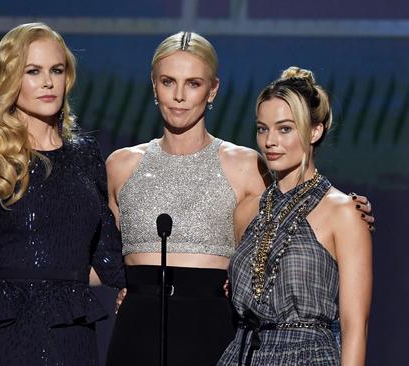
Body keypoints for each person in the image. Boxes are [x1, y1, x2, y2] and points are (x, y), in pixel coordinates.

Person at [105, 32, 373, 366]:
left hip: (220, 334)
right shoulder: (120, 166)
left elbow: (302, 204)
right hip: (149, 330)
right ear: (153, 84)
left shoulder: (249, 168)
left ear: (212, 89)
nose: (178, 96)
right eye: (168, 81)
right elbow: (99, 253)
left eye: (192, 83)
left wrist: (350, 210)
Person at [0, 23, 124, 366]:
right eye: (33, 71)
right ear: (10, 80)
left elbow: (109, 258)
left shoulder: (85, 156)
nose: (48, 82)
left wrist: (149, 282)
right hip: (15, 338)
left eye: (56, 70)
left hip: (75, 334)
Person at [217, 67, 372, 366]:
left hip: (308, 355)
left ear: (315, 130)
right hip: (242, 354)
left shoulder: (344, 213)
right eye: (263, 128)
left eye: (285, 128)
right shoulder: (247, 211)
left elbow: (356, 328)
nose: (270, 141)